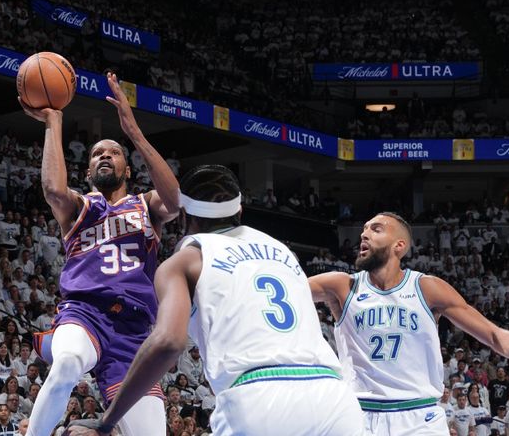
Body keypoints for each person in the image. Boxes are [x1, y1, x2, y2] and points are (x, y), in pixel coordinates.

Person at [67, 164, 363, 436]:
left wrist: (107, 421)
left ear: (184, 217)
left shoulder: (183, 262)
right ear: (240, 212)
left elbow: (169, 342)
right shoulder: (282, 251)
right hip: (334, 397)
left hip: (259, 396)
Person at [308, 212, 509, 436]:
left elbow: (495, 337)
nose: (364, 234)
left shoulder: (427, 288)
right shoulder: (343, 285)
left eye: (375, 229)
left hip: (419, 417)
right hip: (359, 413)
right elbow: (281, 287)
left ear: (399, 246)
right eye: (364, 229)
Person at [19, 72, 180, 436]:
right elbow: (52, 189)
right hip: (84, 313)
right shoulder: (80, 206)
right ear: (89, 169)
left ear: (126, 167)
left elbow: (175, 200)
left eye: (114, 152)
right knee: (67, 363)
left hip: (134, 331)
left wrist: (134, 132)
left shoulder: (146, 206)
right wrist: (53, 121)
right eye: (96, 154)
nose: (105, 155)